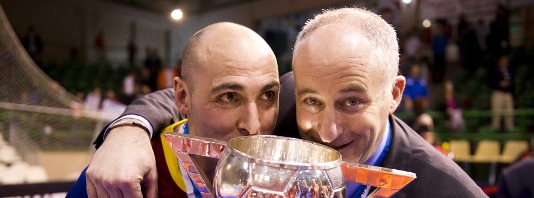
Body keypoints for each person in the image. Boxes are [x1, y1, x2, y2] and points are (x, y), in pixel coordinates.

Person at [85, 8, 486, 198]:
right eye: (312, 100)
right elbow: (194, 96)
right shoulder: (283, 103)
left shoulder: (449, 192)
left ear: (395, 93)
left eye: (351, 102)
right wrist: (129, 128)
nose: (325, 131)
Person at [67, 22, 280, 197]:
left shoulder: (292, 165)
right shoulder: (124, 174)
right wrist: (129, 128)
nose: (253, 126)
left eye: (267, 95)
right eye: (229, 97)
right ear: (182, 97)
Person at [489, 55, 514, 131]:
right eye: (503, 60)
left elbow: (513, 83)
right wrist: (499, 84)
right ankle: (495, 134)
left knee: (509, 115)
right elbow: (490, 83)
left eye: (506, 60)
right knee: (496, 115)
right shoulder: (495, 71)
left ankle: (510, 134)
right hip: (498, 93)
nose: (504, 62)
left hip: (507, 94)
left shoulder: (510, 71)